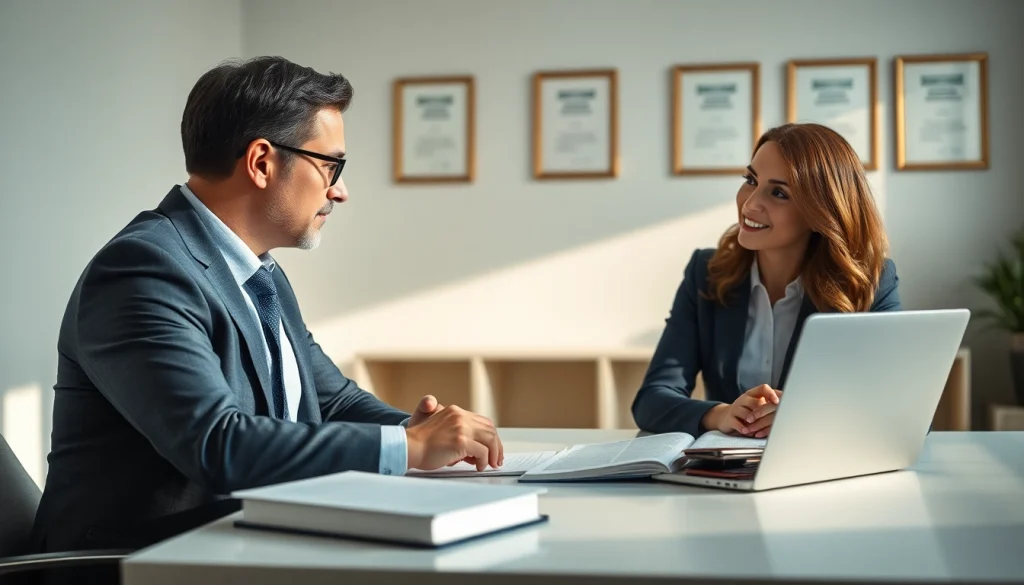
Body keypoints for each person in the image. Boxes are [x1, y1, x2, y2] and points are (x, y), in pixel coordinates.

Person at [30, 56, 503, 568]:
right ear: (261, 162)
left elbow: (334, 401)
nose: (339, 190)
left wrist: (423, 435)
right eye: (330, 166)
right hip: (140, 563)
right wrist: (407, 448)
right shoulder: (141, 270)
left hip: (244, 541)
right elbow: (218, 443)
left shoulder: (258, 272)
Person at [631, 123, 900, 440]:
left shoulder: (870, 282)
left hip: (818, 469)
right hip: (724, 469)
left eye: (778, 193)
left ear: (821, 211)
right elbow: (652, 399)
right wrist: (721, 414)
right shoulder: (706, 272)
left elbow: (900, 411)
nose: (749, 204)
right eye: (750, 180)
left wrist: (803, 414)